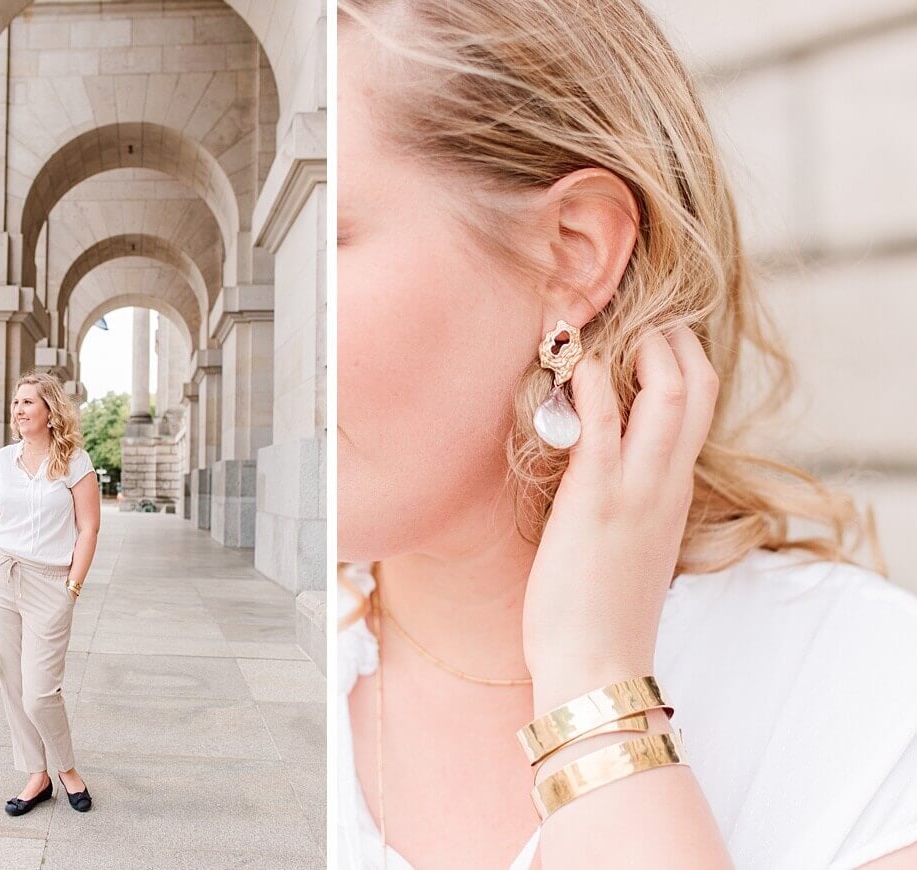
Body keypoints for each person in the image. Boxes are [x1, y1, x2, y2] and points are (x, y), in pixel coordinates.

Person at [336, 1, 917, 868]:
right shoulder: (316, 637)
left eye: (329, 239)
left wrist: (596, 688)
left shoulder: (864, 700)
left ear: (572, 251)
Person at [0, 371, 100, 816]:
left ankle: (66, 769)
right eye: (16, 403)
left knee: (40, 692)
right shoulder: (2, 461)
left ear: (50, 410)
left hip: (50, 582)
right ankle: (36, 775)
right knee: (13, 683)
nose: (19, 410)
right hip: (0, 576)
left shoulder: (75, 461)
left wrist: (72, 587)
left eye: (28, 402)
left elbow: (89, 527)